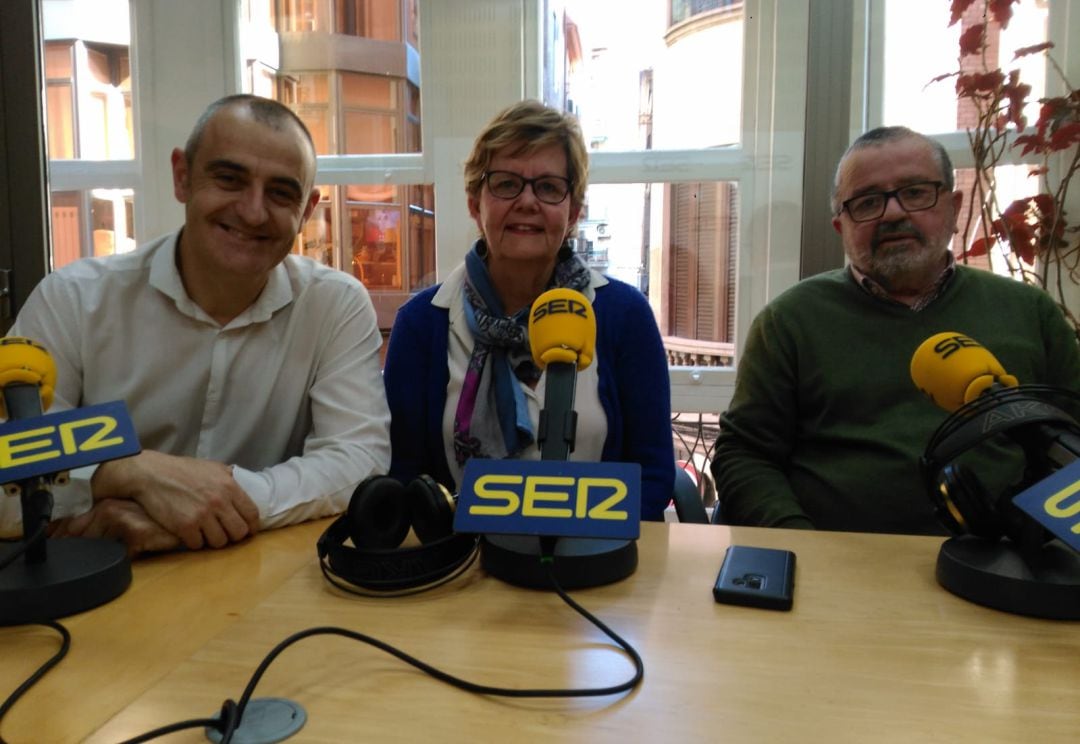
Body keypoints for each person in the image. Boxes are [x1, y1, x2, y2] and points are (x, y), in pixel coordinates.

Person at [0, 94, 391, 555]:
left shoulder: (334, 304)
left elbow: (358, 461)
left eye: (282, 193)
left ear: (306, 212)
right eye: (229, 179)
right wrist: (127, 472)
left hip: (252, 581)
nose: (252, 211)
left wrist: (209, 505)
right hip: (98, 585)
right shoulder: (72, 300)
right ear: (182, 177)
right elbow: (8, 472)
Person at [712, 126, 1080, 535]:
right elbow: (744, 454)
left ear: (954, 208)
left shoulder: (1029, 312)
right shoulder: (789, 322)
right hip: (838, 566)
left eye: (916, 192)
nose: (892, 213)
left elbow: (1072, 443)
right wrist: (801, 546)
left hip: (1011, 563)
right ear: (841, 227)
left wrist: (1039, 545)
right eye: (867, 202)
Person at [383, 100, 674, 520]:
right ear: (474, 203)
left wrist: (589, 547)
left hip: (593, 564)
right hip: (465, 568)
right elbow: (406, 473)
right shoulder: (421, 325)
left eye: (549, 187)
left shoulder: (624, 316)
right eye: (505, 184)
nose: (527, 201)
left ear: (572, 212)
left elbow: (653, 473)